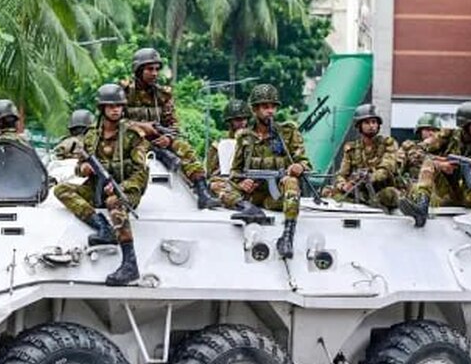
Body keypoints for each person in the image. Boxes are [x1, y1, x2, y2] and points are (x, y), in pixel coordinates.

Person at [52, 84, 148, 286]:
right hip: (97, 185)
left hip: (126, 187)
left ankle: (130, 264)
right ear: (102, 108)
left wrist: (124, 186)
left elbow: (141, 171)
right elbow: (79, 167)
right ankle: (102, 227)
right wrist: (84, 168)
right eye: (111, 106)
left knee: (115, 202)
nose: (116, 110)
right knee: (61, 190)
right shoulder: (91, 137)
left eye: (119, 106)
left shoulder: (132, 135)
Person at [221, 83, 311, 259]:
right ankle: (246, 208)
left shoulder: (287, 133)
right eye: (265, 107)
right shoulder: (244, 137)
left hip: (275, 196)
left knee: (292, 183)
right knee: (222, 190)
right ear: (255, 109)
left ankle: (287, 236)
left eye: (273, 106)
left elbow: (304, 162)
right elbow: (235, 171)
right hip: (252, 197)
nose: (270, 111)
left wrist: (299, 167)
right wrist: (242, 182)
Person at [122, 47, 218, 208]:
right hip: (132, 140)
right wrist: (141, 127)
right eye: (149, 69)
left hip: (159, 139)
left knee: (184, 148)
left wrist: (168, 138)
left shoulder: (163, 95)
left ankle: (202, 191)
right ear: (138, 70)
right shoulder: (123, 93)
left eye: (156, 69)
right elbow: (113, 121)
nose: (154, 73)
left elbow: (173, 124)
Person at [407, 101, 471, 245]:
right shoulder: (447, 135)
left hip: (469, 195)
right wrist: (441, 164)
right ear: (465, 125)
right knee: (429, 162)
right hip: (445, 192)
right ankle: (421, 208)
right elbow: (414, 152)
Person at [326, 104, 402, 210]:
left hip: (382, 190)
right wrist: (344, 185)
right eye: (367, 122)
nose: (371, 126)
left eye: (374, 122)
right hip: (361, 193)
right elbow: (342, 174)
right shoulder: (351, 148)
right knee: (329, 193)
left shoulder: (388, 143)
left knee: (390, 195)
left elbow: (386, 169)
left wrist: (369, 178)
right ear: (359, 125)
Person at [399, 113, 440, 187]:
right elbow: (399, 168)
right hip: (413, 186)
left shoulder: (443, 149)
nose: (431, 133)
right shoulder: (408, 146)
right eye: (427, 130)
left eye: (434, 130)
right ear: (420, 131)